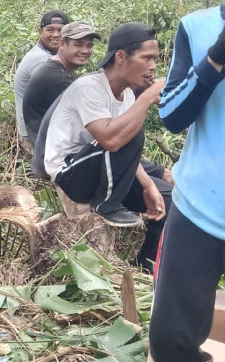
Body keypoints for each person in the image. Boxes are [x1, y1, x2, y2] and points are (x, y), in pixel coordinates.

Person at [149, 0, 225, 360]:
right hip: (197, 211)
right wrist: (219, 54)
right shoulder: (199, 26)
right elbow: (170, 115)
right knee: (171, 343)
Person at [32, 23, 169, 270]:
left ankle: (146, 265)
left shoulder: (126, 95)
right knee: (128, 130)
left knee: (171, 199)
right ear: (120, 56)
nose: (153, 66)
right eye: (146, 58)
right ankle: (107, 205)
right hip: (70, 173)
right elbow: (111, 140)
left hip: (102, 167)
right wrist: (147, 98)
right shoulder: (88, 88)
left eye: (155, 59)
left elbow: (122, 145)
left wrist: (149, 185)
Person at [22, 21, 100, 146]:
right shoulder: (57, 78)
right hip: (51, 152)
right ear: (62, 44)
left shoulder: (63, 70)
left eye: (89, 46)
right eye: (78, 45)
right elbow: (85, 122)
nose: (85, 51)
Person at [14, 10, 70, 146]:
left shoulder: (50, 55)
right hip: (36, 131)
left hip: (38, 124)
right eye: (50, 30)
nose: (56, 35)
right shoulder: (40, 61)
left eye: (60, 30)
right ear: (40, 32)